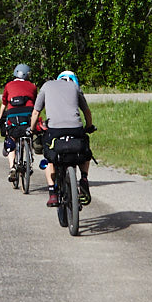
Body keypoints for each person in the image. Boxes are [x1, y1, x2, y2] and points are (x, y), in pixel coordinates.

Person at [33, 69, 95, 208]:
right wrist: (89, 126)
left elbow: (36, 111)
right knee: (85, 151)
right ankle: (84, 178)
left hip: (54, 131)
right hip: (75, 129)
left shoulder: (47, 86)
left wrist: (32, 129)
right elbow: (86, 111)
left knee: (49, 156)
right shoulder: (75, 87)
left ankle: (52, 192)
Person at [0, 64, 40, 185]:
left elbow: (4, 103)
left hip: (13, 116)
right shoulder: (32, 86)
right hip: (28, 116)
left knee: (11, 137)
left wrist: (0, 116)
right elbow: (36, 103)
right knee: (29, 133)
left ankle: (12, 168)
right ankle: (29, 161)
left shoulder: (9, 85)